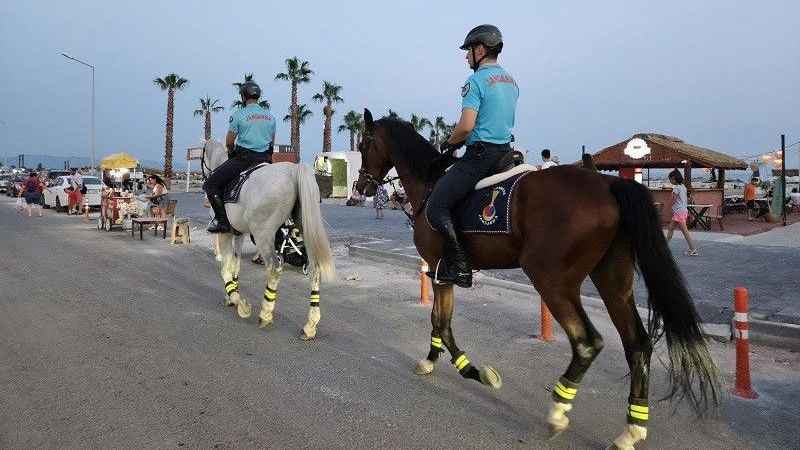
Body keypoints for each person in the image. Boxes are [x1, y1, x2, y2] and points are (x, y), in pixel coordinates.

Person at [426, 24, 518, 288]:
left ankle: (461, 267)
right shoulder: (511, 81)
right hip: (505, 155)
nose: (466, 57)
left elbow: (467, 126)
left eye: (468, 51)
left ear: (480, 49)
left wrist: (448, 141)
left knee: (437, 205)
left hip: (481, 156)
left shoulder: (475, 81)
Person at [204, 80, 276, 233]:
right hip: (265, 160)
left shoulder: (239, 115)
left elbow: (229, 142)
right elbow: (272, 141)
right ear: (258, 96)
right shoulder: (270, 117)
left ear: (243, 96)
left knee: (210, 185)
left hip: (244, 159)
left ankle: (222, 222)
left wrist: (231, 154)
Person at [665, 169, 699, 256]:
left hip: (679, 212)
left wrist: (668, 207)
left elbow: (674, 199)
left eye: (670, 179)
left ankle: (693, 249)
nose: (670, 181)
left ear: (674, 178)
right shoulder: (683, 187)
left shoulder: (676, 188)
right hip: (682, 211)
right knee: (671, 228)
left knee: (684, 231)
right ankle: (664, 247)